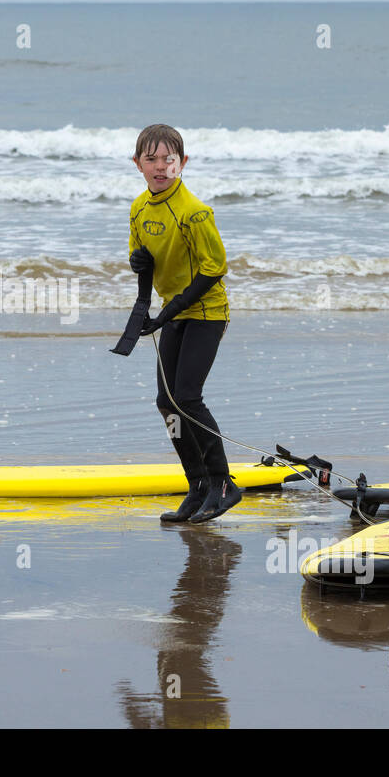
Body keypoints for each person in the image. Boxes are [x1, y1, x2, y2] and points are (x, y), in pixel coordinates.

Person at [127, 123, 239, 524]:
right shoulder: (140, 208)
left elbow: (215, 268)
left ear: (183, 163)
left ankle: (223, 483)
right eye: (151, 159)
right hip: (170, 311)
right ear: (137, 164)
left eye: (168, 159)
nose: (161, 166)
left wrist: (168, 313)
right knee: (166, 403)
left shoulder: (194, 211)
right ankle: (197, 487)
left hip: (205, 312)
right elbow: (143, 255)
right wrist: (139, 268)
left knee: (187, 397)